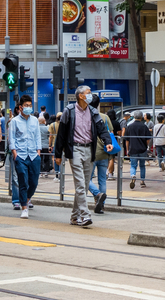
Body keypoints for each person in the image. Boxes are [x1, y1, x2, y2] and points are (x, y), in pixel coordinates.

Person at [55, 85, 109, 227]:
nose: (91, 95)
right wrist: (58, 153)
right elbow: (61, 133)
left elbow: (101, 128)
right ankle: (85, 215)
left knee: (84, 186)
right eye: (89, 93)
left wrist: (107, 142)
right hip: (75, 150)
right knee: (80, 183)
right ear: (80, 96)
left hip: (89, 150)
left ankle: (74, 216)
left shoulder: (92, 111)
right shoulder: (69, 111)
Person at [10, 95, 43, 219]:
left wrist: (38, 152)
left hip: (34, 155)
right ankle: (24, 207)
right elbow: (12, 138)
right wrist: (15, 154)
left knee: (33, 182)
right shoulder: (14, 121)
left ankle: (27, 199)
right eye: (26, 106)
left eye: (30, 105)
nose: (28, 108)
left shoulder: (35, 120)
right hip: (21, 156)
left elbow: (38, 136)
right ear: (21, 107)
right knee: (22, 181)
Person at [89, 110, 120, 213]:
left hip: (92, 154)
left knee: (86, 179)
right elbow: (110, 133)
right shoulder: (105, 117)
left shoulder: (86, 115)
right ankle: (101, 204)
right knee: (102, 180)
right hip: (104, 153)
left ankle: (97, 194)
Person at [124, 112, 150, 189]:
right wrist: (146, 145)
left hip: (133, 149)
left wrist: (127, 150)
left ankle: (133, 175)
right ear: (141, 117)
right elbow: (148, 139)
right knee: (142, 166)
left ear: (134, 117)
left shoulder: (129, 127)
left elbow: (127, 140)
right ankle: (142, 182)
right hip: (142, 149)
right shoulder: (144, 126)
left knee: (133, 165)